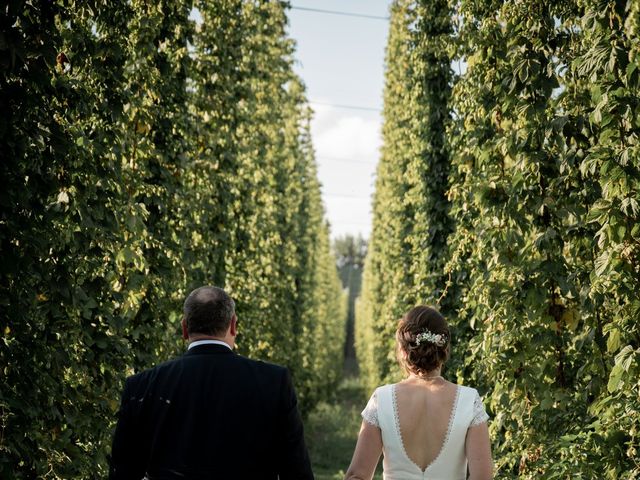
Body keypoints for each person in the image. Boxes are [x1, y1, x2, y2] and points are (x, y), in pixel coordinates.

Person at [108, 286, 314, 480]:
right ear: (233, 325)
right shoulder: (273, 381)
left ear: (184, 328)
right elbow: (296, 472)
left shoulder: (142, 385)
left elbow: (123, 472)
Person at [344, 306, 493, 480]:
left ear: (402, 351)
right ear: (445, 349)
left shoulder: (381, 399)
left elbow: (357, 476)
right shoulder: (469, 401)